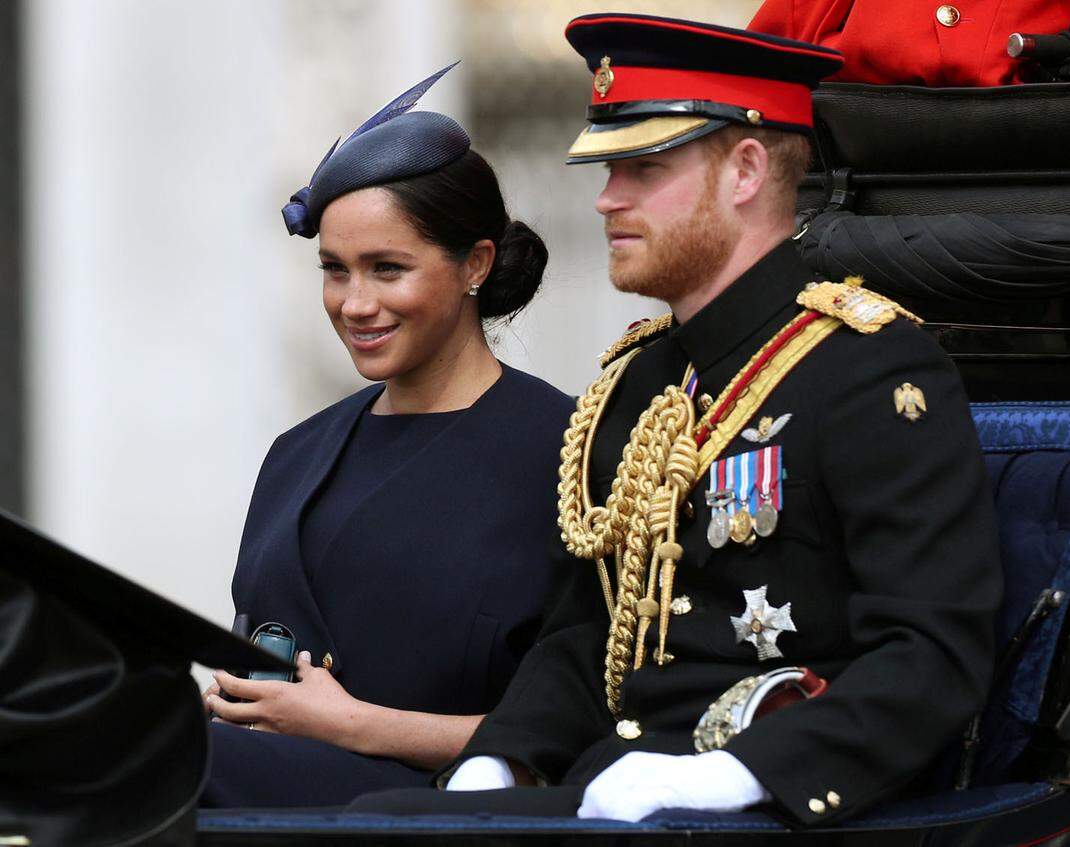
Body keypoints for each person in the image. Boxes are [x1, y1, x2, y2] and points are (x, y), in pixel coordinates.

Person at [346, 9, 1003, 827]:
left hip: (774, 808)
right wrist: (500, 759)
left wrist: (740, 772)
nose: (606, 199)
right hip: (616, 787)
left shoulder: (870, 370)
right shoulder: (640, 380)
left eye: (643, 168)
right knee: (359, 819)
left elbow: (930, 653)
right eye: (607, 168)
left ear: (746, 170)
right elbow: (588, 634)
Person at [198, 66, 575, 807]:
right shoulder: (298, 453)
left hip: (432, 808)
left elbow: (587, 726)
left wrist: (352, 724)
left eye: (387, 269)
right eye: (335, 271)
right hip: (258, 793)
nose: (355, 303)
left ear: (475, 263)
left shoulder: (564, 450)